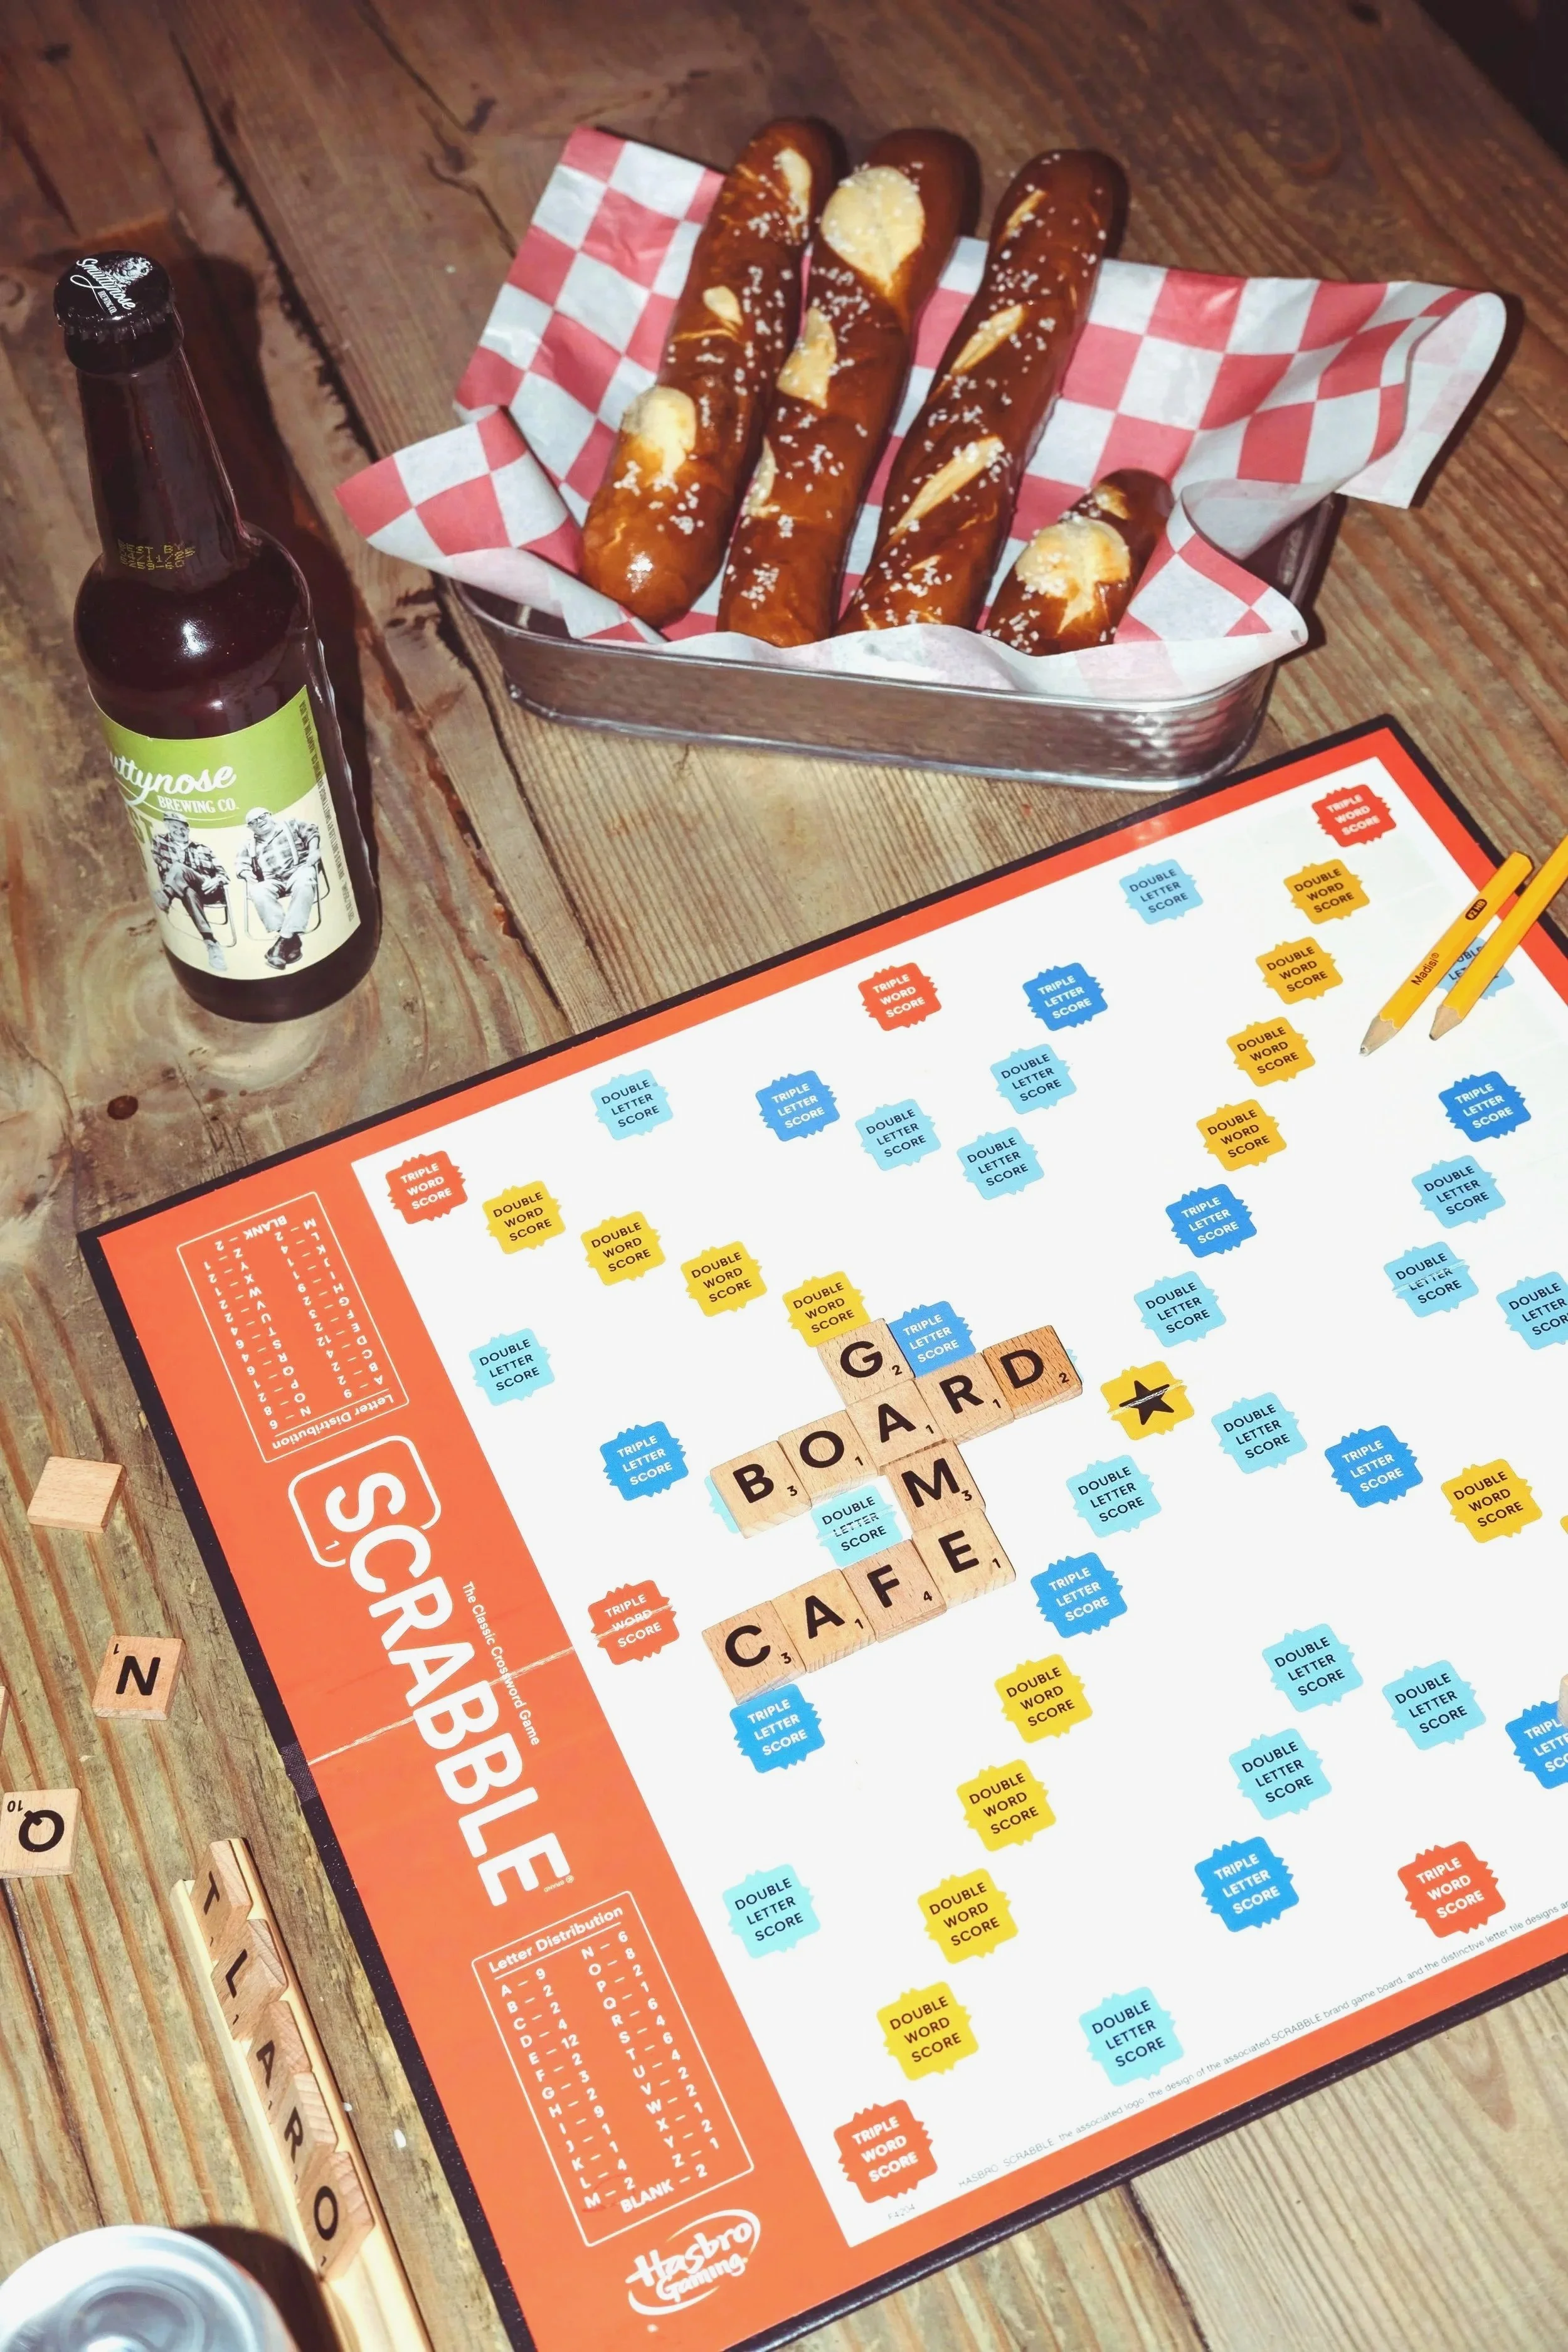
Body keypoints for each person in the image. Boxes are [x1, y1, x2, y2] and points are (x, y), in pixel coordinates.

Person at [235, 806, 321, 970]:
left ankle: (282, 943)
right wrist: (246, 874)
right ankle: (291, 941)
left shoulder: (291, 825)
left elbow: (311, 831)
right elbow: (241, 864)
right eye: (253, 822)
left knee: (305, 882)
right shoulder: (249, 845)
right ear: (250, 828)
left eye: (262, 817)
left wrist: (314, 850)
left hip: (299, 870)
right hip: (273, 880)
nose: (259, 822)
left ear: (270, 815)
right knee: (257, 890)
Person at [148, 814, 229, 973]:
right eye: (175, 828)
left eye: (183, 828)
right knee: (189, 891)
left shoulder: (202, 848)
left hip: (207, 887)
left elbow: (223, 874)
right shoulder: (160, 842)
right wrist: (172, 869)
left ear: (188, 829)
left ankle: (166, 896)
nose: (180, 831)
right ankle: (211, 942)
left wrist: (217, 880)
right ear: (169, 828)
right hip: (184, 890)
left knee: (179, 868)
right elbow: (156, 859)